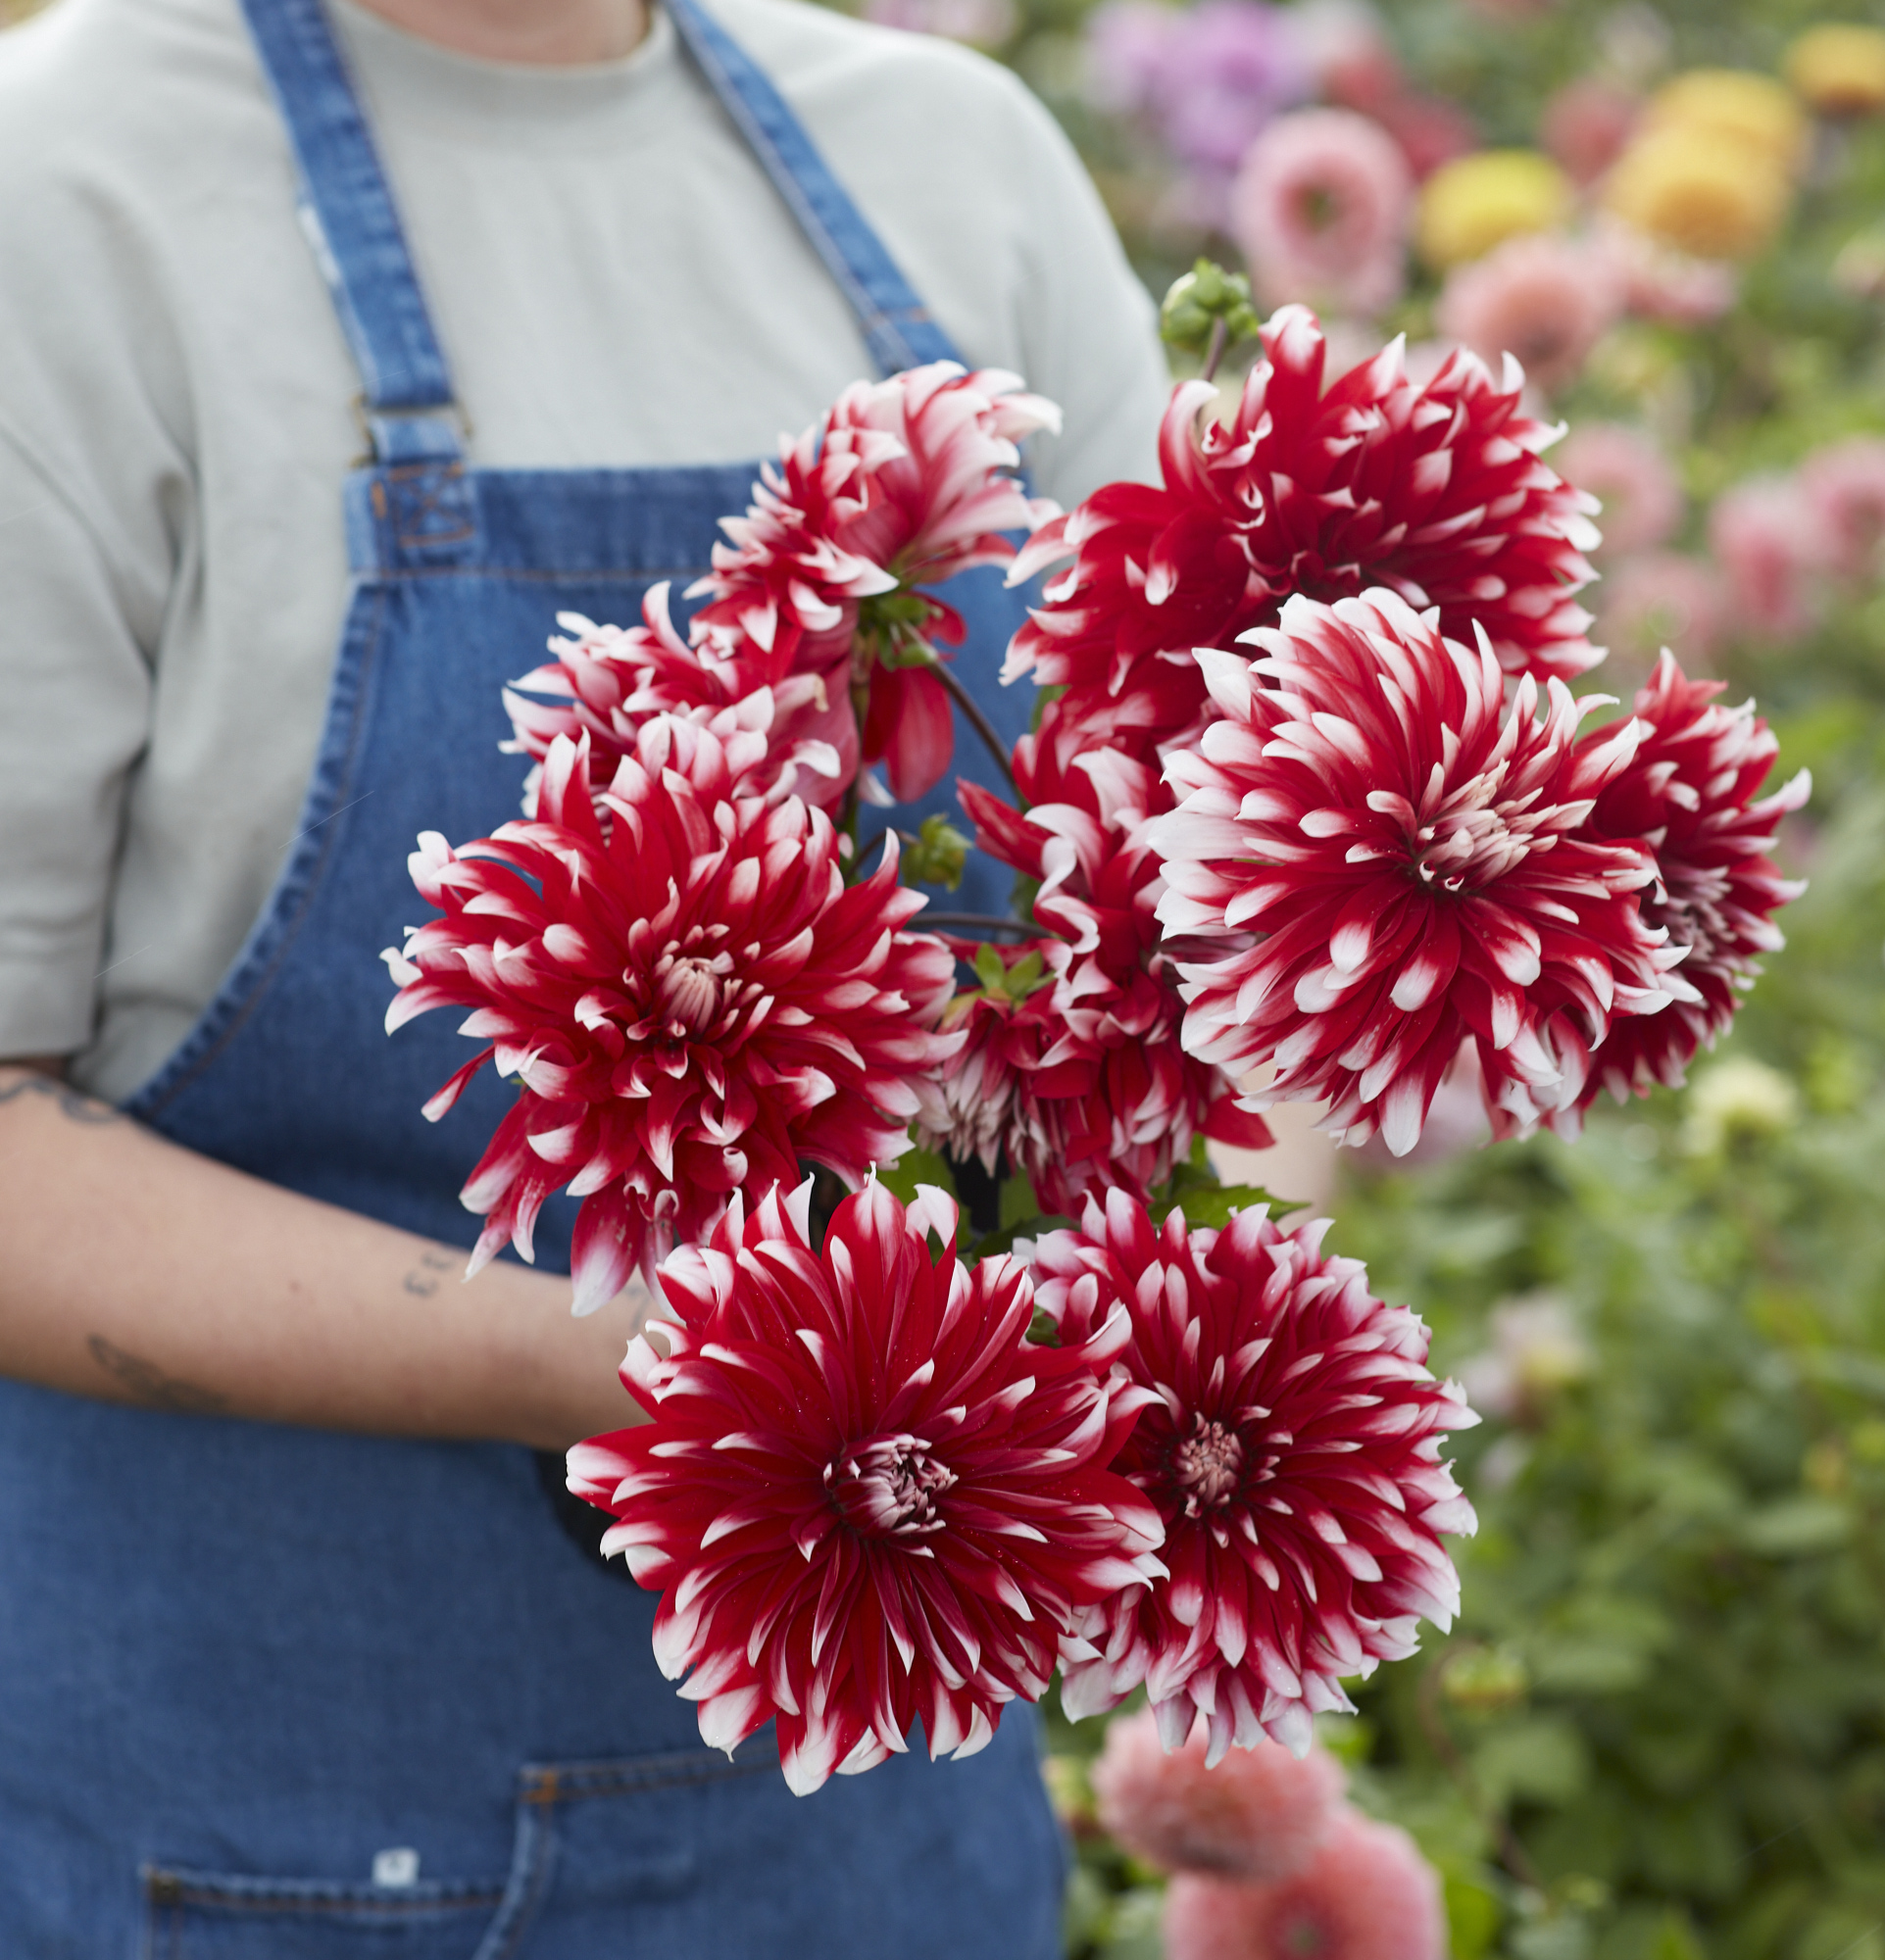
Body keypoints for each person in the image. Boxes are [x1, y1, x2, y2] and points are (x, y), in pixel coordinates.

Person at [0, 0, 1166, 1948]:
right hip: (261, 1834)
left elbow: (1207, 916)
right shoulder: (64, 193)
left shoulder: (956, 165)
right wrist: (642, 1370)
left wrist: (1168, 1312)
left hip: (895, 1838)